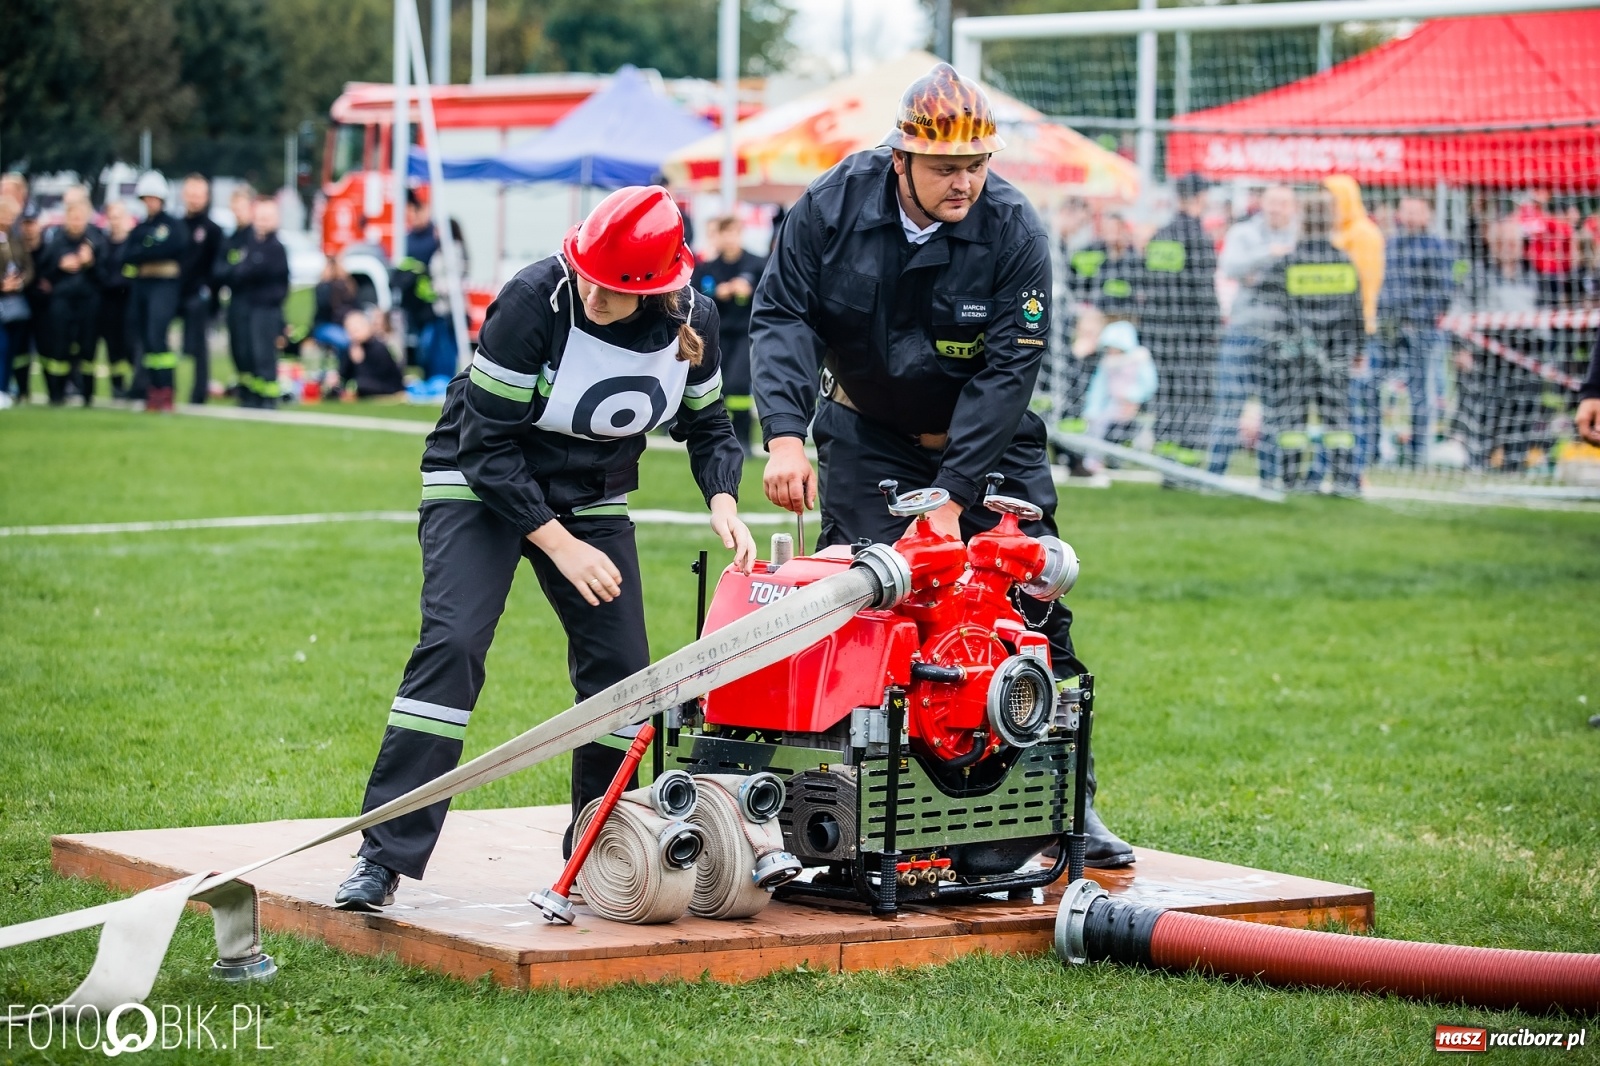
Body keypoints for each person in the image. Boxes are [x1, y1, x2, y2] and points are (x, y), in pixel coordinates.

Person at [749, 62, 1133, 869]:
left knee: (1033, 614)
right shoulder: (831, 204)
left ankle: (1070, 803)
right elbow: (781, 313)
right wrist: (785, 434)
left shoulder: (1016, 230)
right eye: (946, 167)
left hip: (986, 440)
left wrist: (954, 493)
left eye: (977, 164)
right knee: (865, 609)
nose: (965, 182)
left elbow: (1008, 371)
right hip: (866, 431)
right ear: (901, 160)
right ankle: (846, 812)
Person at [334, 186, 753, 909]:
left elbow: (711, 425)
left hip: (590, 495)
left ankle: (595, 853)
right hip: (479, 482)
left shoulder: (697, 320)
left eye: (613, 287)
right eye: (586, 273)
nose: (592, 291)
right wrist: (559, 544)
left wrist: (722, 499)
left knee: (626, 684)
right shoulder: (534, 299)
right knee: (455, 646)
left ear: (655, 287)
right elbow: (486, 448)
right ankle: (383, 856)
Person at [1251, 192, 1364, 495]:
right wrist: (1359, 349)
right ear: (1331, 223)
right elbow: (1356, 310)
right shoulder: (1344, 261)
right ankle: (1343, 480)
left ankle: (1291, 480)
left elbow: (1267, 302)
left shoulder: (1289, 261)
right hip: (1336, 353)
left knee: (1293, 421)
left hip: (1294, 355)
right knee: (1338, 420)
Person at [1353, 196, 1458, 475]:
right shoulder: (1389, 244)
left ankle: (1418, 454)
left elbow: (1443, 292)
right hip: (1386, 329)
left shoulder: (1437, 247)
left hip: (1420, 331)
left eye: (1417, 211)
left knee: (1420, 391)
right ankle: (1371, 448)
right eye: (1406, 210)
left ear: (1427, 215)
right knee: (1371, 386)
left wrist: (1417, 319)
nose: (1410, 216)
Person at [1205, 184, 1299, 478]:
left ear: (1292, 207)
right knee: (1229, 405)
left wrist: (1257, 274)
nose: (1275, 208)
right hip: (1242, 329)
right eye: (1271, 202)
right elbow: (1230, 267)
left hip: (1284, 332)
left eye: (1282, 203)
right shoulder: (1243, 233)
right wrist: (1269, 254)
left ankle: (1271, 479)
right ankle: (1213, 475)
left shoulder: (1300, 236)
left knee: (1276, 407)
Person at [1142, 174, 1220, 455]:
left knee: (1166, 393)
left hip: (1160, 330)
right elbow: (1204, 289)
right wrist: (1213, 329)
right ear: (1201, 198)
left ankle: (1165, 452)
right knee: (1193, 394)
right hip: (1191, 333)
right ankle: (1188, 456)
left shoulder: (1160, 235)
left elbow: (1148, 282)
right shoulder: (1199, 237)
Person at [691, 215, 765, 454]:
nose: (729, 239)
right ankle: (723, 437)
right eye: (725, 233)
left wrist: (748, 290)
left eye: (734, 232)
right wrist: (717, 294)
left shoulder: (757, 263)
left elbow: (768, 295)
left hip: (747, 334)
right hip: (719, 335)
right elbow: (698, 297)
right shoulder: (708, 269)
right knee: (720, 387)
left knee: (738, 384)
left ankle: (743, 437)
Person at [124, 172, 190, 411]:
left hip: (165, 286)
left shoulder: (173, 225)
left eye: (154, 198)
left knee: (157, 334)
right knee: (146, 340)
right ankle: (152, 389)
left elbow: (175, 247)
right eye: (146, 198)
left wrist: (147, 250)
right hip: (143, 285)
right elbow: (128, 254)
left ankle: (166, 388)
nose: (150, 203)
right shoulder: (141, 227)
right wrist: (150, 249)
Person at [38, 195, 108, 405]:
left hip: (89, 301)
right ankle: (57, 394)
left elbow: (104, 276)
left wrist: (90, 263)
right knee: (60, 346)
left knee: (88, 347)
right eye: (72, 217)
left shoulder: (96, 241)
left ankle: (87, 394)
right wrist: (60, 266)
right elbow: (43, 272)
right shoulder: (57, 241)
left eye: (80, 217)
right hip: (62, 300)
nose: (76, 221)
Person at [228, 198, 289, 408]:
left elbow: (256, 273)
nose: (262, 222)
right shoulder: (252, 244)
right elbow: (239, 272)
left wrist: (247, 270)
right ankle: (253, 395)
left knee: (264, 354)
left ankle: (269, 398)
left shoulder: (275, 248)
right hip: (251, 307)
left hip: (267, 309)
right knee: (250, 352)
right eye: (260, 217)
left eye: (267, 218)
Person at [175, 175, 220, 404]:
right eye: (190, 194)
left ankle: (199, 392)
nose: (194, 200)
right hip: (175, 292)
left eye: (198, 195)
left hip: (199, 294)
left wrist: (209, 291)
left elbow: (217, 268)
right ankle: (159, 386)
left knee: (199, 345)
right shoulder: (176, 227)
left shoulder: (213, 230)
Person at [1081, 319, 1157, 448]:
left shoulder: (1140, 359)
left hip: (1135, 408)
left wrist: (1131, 397)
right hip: (1111, 407)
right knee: (1098, 428)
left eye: (1115, 348)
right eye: (1110, 348)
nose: (1112, 351)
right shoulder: (1107, 364)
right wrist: (1092, 411)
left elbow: (1149, 384)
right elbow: (1098, 389)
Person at [215, 186, 256, 397]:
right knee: (237, 347)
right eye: (234, 208)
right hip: (236, 300)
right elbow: (220, 270)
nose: (237, 212)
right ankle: (242, 387)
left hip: (254, 302)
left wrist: (236, 271)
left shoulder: (256, 238)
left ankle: (253, 391)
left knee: (251, 348)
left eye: (241, 207)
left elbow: (252, 270)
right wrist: (236, 270)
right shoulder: (231, 239)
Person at [96, 201, 136, 398]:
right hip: (108, 301)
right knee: (113, 346)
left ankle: (136, 383)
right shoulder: (102, 244)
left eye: (119, 217)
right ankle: (117, 385)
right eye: (112, 217)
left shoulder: (132, 244)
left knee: (130, 343)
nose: (115, 221)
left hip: (128, 300)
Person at [0, 194, 34, 402]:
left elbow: (28, 265)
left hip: (14, 302)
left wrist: (19, 282)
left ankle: (5, 389)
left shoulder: (16, 238)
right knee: (0, 347)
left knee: (12, 349)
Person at [334, 308, 404, 398]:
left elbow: (376, 377)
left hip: (386, 387)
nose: (354, 334)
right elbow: (344, 375)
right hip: (366, 385)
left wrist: (360, 362)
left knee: (360, 385)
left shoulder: (378, 348)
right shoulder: (352, 348)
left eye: (356, 329)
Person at [310, 256, 358, 359]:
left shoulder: (347, 287)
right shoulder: (326, 288)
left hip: (341, 325)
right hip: (326, 325)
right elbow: (325, 307)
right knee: (345, 341)